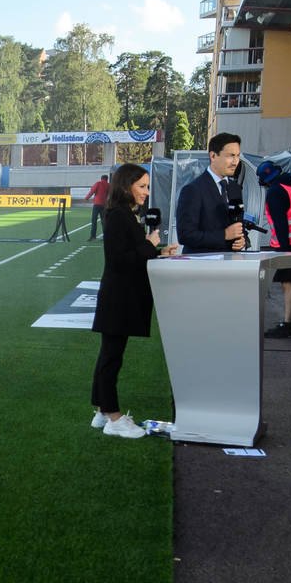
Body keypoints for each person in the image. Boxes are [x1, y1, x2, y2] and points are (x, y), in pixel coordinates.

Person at [90, 162, 180, 437]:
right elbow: (119, 260)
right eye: (141, 186)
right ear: (126, 186)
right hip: (119, 297)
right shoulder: (117, 215)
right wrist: (150, 246)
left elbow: (133, 253)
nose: (146, 192)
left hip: (124, 296)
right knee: (111, 357)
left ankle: (101, 411)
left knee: (110, 355)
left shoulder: (128, 214)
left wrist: (158, 252)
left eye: (147, 186)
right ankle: (114, 418)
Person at [258, 160, 291, 338]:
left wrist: (284, 251)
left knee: (288, 283)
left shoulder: (274, 192)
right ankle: (288, 321)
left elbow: (281, 225)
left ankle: (287, 325)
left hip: (288, 244)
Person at [176, 132, 249, 254]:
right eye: (230, 156)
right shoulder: (193, 190)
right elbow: (185, 235)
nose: (235, 162)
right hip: (201, 266)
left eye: (237, 156)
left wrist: (242, 240)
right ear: (213, 156)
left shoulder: (235, 188)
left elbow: (238, 226)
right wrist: (224, 235)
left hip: (231, 265)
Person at [85, 172, 111, 239]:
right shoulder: (109, 185)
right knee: (104, 221)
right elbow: (110, 195)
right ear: (107, 179)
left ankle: (93, 236)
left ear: (101, 178)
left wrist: (87, 198)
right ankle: (105, 236)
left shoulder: (98, 183)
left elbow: (92, 191)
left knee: (94, 220)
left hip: (97, 204)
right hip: (104, 205)